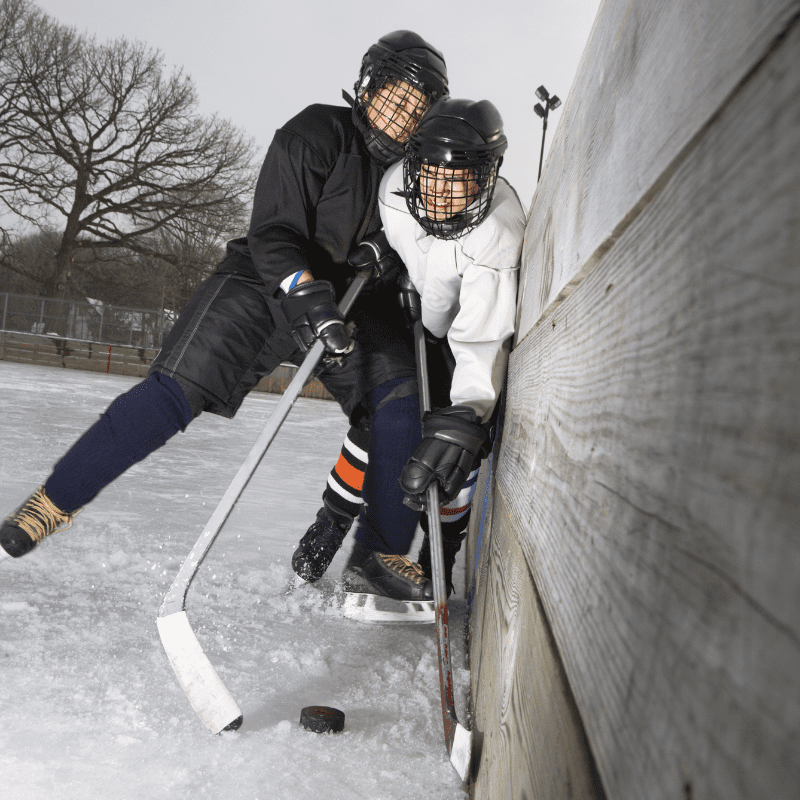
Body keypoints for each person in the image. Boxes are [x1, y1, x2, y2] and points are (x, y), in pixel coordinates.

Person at [0, 31, 449, 608]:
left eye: (417, 108)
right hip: (264, 283)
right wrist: (305, 294)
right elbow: (274, 232)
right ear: (367, 86)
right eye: (395, 96)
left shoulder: (417, 174)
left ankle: (377, 553)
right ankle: (51, 503)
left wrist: (395, 257)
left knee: (398, 400)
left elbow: (428, 244)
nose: (401, 115)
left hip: (355, 303)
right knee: (172, 394)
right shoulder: (316, 132)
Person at [291, 97, 526, 599]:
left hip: (456, 333)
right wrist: (386, 255)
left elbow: (481, 338)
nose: (441, 194)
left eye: (458, 180)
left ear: (486, 176)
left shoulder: (497, 236)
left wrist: (470, 410)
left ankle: (438, 557)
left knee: (451, 448)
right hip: (408, 314)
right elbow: (398, 236)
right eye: (433, 177)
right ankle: (330, 524)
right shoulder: (396, 188)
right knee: (381, 419)